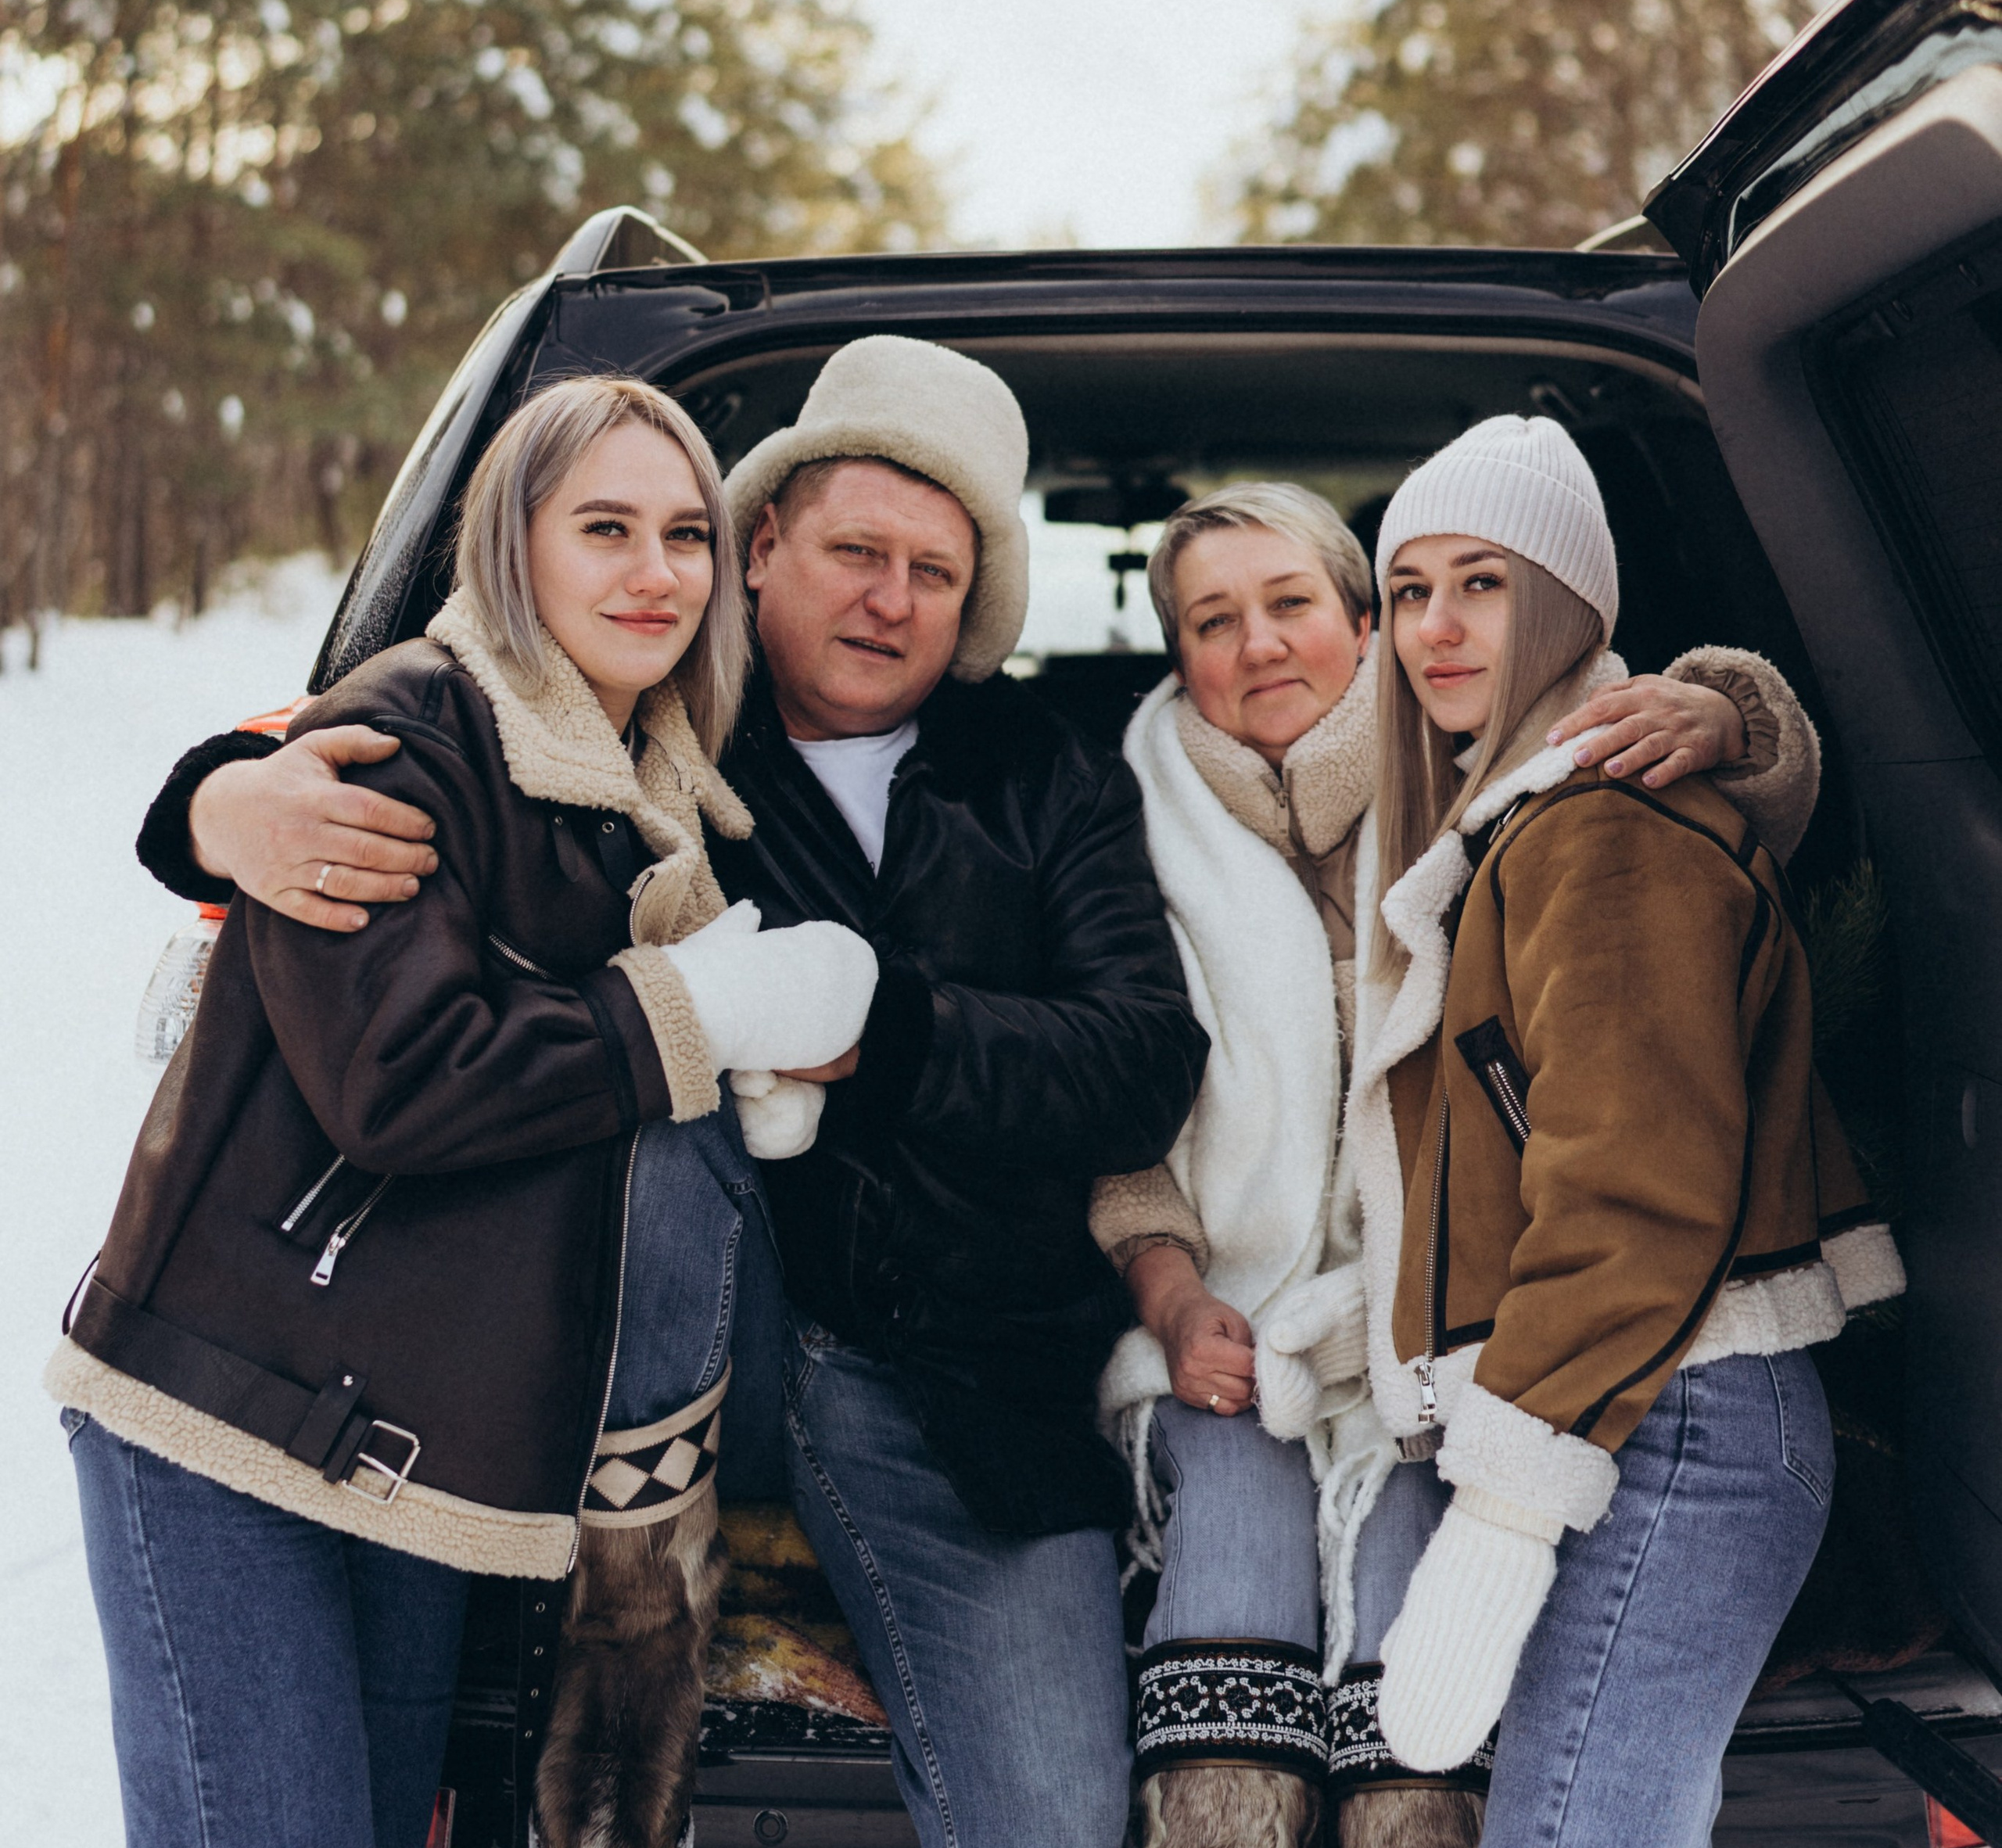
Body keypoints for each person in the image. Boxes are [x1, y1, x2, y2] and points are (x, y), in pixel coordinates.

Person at [127, 336, 1212, 1848]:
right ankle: (628, 1581)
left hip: (968, 1375)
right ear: (760, 548)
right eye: (853, 550)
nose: (889, 597)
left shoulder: (1047, 766)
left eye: (936, 571)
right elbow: (423, 740)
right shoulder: (658, 705)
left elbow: (1139, 1064)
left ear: (978, 608)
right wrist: (214, 802)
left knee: (1053, 1815)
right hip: (648, 1357)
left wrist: (879, 1035)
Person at [48, 377, 880, 1848]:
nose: (654, 572)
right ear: (511, 544)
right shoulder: (419, 723)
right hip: (238, 1412)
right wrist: (700, 1016)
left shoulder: (665, 780)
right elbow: (402, 1078)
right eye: (605, 527)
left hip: (433, 1456)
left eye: (686, 533)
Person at [1089, 482, 1824, 1848]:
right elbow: (1109, 1121)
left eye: (1292, 603)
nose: (1257, 646)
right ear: (1174, 654)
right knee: (1233, 1572)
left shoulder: (1470, 776)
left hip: (1463, 1345)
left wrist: (1732, 711)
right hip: (1233, 1323)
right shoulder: (1114, 826)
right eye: (1211, 620)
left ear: (1359, 627)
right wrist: (1174, 1296)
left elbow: (1639, 758)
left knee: (1418, 1680)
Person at [1346, 414, 1903, 1846]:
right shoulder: (1513, 808)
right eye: (1408, 590)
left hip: (1676, 1423)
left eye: (1483, 580)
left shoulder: (1602, 827)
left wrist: (1504, 1515)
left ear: (1568, 601)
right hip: (1637, 1403)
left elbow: (1636, 1198)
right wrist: (1743, 711)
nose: (1436, 627)